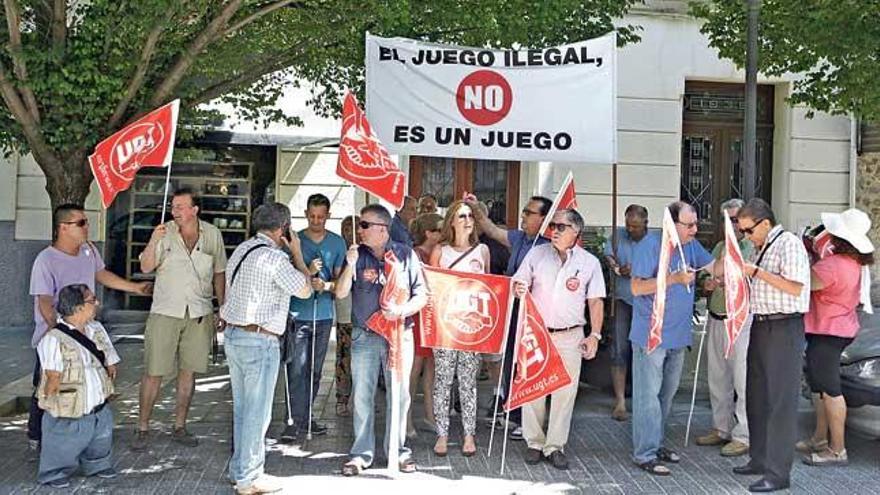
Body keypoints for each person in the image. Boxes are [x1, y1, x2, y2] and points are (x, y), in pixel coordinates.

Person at [28, 204, 150, 453]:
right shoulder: (45, 259)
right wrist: (59, 334)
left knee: (85, 384)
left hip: (87, 332)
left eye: (86, 221)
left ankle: (84, 436)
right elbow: (43, 300)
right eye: (81, 223)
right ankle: (38, 436)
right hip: (56, 335)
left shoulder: (88, 250)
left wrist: (134, 288)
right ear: (63, 228)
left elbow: (101, 274)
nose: (87, 227)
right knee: (49, 383)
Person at [219, 203, 312, 495]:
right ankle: (248, 478)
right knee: (257, 413)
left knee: (244, 409)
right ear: (283, 229)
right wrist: (296, 252)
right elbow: (305, 289)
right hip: (260, 339)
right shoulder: (275, 259)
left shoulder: (242, 250)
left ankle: (240, 470)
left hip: (235, 336)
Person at [335, 204, 428, 476]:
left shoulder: (405, 255)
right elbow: (341, 294)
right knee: (362, 395)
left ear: (382, 229)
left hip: (399, 335)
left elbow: (421, 296)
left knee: (399, 395)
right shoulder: (356, 254)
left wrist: (401, 310)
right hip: (365, 336)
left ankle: (397, 452)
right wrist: (349, 265)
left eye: (364, 225)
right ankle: (361, 453)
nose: (358, 230)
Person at [134, 187, 227, 451]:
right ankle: (142, 427)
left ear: (194, 209)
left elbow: (219, 272)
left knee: (189, 371)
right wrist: (153, 239)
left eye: (180, 207)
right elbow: (145, 266)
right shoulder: (164, 233)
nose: (175, 211)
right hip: (165, 311)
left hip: (198, 312)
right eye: (173, 206)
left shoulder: (212, 234)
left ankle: (180, 425)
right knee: (154, 371)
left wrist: (224, 307)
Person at [513, 209, 605, 470]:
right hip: (537, 332)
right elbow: (519, 280)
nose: (554, 230)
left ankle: (555, 446)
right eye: (553, 225)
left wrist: (595, 335)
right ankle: (534, 442)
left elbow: (595, 301)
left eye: (561, 227)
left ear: (576, 231)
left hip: (571, 335)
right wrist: (519, 287)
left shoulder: (589, 262)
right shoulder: (537, 253)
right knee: (534, 388)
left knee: (565, 393)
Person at [630, 201, 717, 476]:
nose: (695, 229)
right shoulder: (650, 245)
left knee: (665, 397)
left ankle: (656, 445)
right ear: (671, 223)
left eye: (696, 224)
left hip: (678, 335)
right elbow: (636, 287)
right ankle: (644, 453)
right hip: (651, 336)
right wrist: (673, 279)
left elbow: (715, 267)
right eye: (689, 225)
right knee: (648, 397)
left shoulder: (691, 246)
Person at [733, 198, 810, 493]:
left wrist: (756, 272)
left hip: (784, 326)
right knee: (757, 395)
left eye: (748, 230)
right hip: (762, 324)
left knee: (780, 401)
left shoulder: (788, 243)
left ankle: (778, 474)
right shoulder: (761, 245)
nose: (746, 236)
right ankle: (760, 458)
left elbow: (795, 286)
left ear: (765, 223)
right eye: (742, 232)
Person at [469, 195, 552, 440]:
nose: (523, 216)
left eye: (529, 212)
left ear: (544, 218)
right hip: (513, 306)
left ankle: (525, 418)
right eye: (524, 211)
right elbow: (492, 230)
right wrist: (475, 206)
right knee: (510, 361)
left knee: (527, 362)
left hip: (535, 311)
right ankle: (512, 411)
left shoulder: (548, 244)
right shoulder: (519, 237)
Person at [799, 208, 874, 466]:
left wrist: (807, 255)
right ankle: (820, 438)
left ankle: (837, 449)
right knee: (820, 388)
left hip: (828, 330)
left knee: (830, 390)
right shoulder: (854, 263)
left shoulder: (833, 265)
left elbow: (807, 283)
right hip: (838, 328)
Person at [36, 284, 120, 488]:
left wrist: (110, 368)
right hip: (69, 403)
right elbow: (52, 375)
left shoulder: (96, 328)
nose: (97, 303)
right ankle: (54, 472)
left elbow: (109, 356)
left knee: (100, 436)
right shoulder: (53, 339)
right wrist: (51, 402)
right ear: (78, 307)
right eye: (92, 300)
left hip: (97, 400)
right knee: (63, 438)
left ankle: (97, 465)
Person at [280, 194, 347, 442]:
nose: (316, 220)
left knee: (315, 371)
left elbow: (340, 282)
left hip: (323, 313)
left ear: (328, 215)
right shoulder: (294, 241)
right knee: (295, 369)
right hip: (297, 313)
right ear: (306, 213)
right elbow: (285, 276)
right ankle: (291, 420)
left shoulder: (337, 243)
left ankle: (305, 417)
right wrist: (307, 272)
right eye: (312, 216)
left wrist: (326, 285)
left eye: (321, 216)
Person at [429, 201, 490, 457]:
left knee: (468, 383)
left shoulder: (482, 251)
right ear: (451, 221)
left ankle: (468, 435)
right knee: (442, 381)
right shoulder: (440, 251)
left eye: (470, 216)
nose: (467, 220)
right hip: (445, 327)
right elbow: (431, 287)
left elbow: (488, 288)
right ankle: (442, 434)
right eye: (461, 215)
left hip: (471, 329)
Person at [695, 199, 755, 457]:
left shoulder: (751, 247)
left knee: (742, 380)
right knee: (718, 378)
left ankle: (744, 435)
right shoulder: (720, 246)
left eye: (736, 219)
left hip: (740, 320)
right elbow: (707, 274)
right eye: (728, 220)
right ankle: (721, 428)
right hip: (717, 316)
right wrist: (708, 282)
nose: (732, 224)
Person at [604, 204, 649, 421]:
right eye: (628, 225)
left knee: (644, 351)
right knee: (619, 349)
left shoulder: (655, 241)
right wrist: (616, 268)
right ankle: (620, 401)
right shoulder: (618, 235)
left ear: (645, 224)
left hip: (646, 303)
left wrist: (639, 268)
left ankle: (643, 400)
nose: (631, 229)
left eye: (636, 226)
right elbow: (609, 257)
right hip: (622, 299)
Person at [407, 212, 443, 436]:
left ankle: (430, 416)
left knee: (432, 369)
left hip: (436, 315)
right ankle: (407, 419)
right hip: (419, 316)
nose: (443, 233)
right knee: (414, 370)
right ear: (429, 233)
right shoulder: (415, 253)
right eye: (439, 229)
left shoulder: (440, 252)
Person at [335, 215, 360, 418]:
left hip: (362, 314)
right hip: (345, 312)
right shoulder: (339, 250)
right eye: (345, 228)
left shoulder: (366, 251)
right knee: (344, 357)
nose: (349, 232)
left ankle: (360, 399)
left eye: (352, 228)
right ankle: (342, 397)